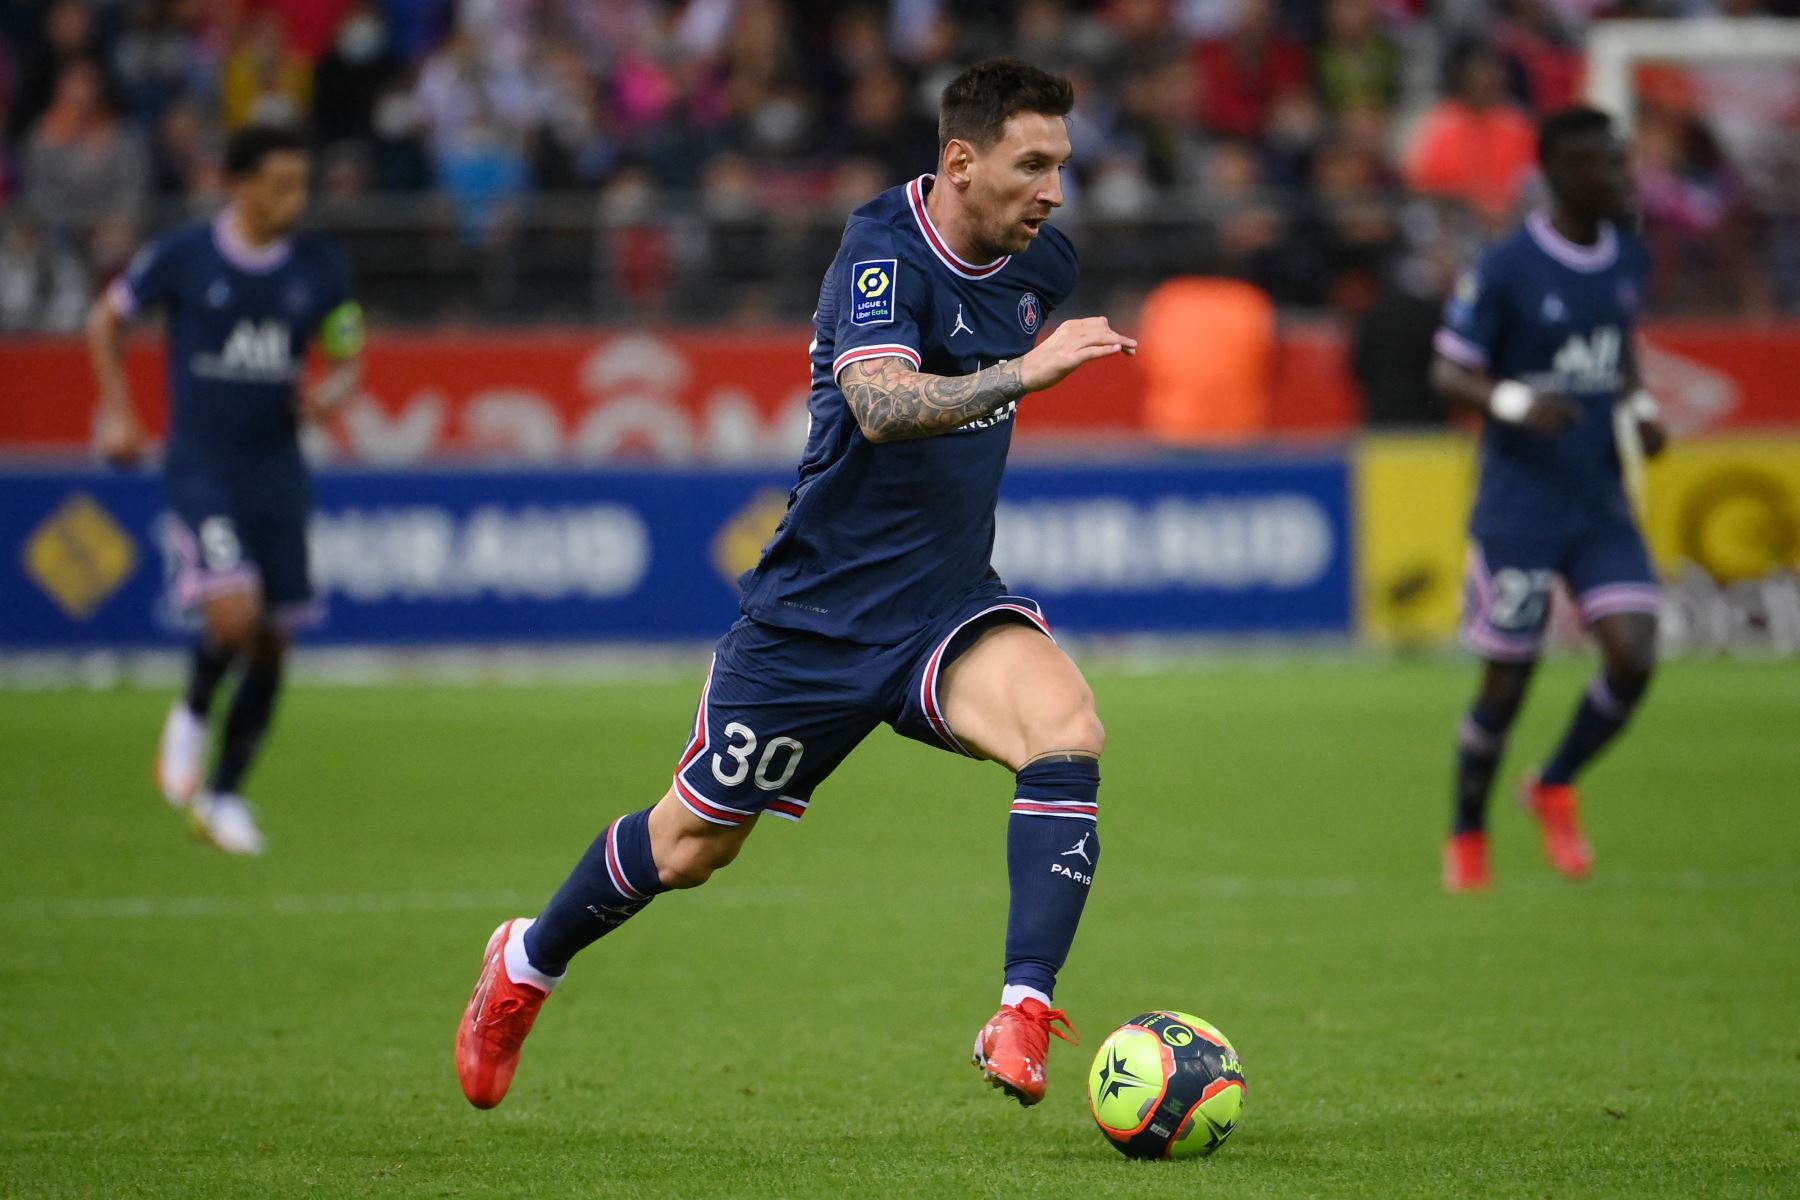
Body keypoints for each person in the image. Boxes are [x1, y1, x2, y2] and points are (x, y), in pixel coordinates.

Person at [456, 58, 1136, 1112]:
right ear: (960, 160)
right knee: (689, 849)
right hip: (812, 622)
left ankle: (1024, 1007)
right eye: (1032, 163)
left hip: (944, 606)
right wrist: (1021, 374)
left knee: (1067, 728)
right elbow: (875, 401)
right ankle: (526, 963)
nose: (1054, 190)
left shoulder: (1044, 262)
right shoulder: (881, 250)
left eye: (1063, 165)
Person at [87, 124, 364, 856]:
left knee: (274, 643)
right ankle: (191, 711)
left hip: (278, 470)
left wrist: (329, 389)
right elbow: (106, 320)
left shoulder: (321, 267)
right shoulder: (183, 256)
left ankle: (225, 796)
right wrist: (117, 410)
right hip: (203, 463)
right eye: (278, 185)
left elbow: (345, 350)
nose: (292, 200)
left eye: (300, 185)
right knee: (234, 617)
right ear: (236, 184)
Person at [1429, 107, 1667, 892]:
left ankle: (1555, 779)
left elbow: (1617, 353)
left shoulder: (1629, 253)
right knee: (1508, 682)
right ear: (1564, 173)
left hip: (1598, 498)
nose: (1624, 180)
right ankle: (1467, 829)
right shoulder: (1506, 266)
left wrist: (1637, 411)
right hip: (1520, 505)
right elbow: (1450, 370)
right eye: (1609, 166)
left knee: (1634, 655)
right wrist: (1512, 405)